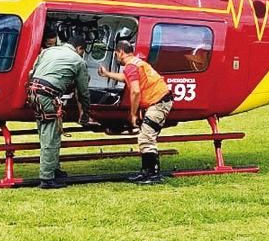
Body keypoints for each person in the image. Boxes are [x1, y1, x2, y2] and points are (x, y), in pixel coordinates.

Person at [97, 39, 173, 184]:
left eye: (116, 54)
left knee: (146, 138)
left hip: (157, 103)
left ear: (120, 52)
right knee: (146, 137)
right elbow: (126, 78)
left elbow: (136, 91)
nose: (116, 57)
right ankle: (146, 172)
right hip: (160, 101)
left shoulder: (131, 66)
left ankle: (153, 175)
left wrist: (132, 113)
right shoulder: (136, 63)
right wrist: (107, 74)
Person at [26, 26, 93, 189]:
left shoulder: (49, 51)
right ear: (79, 49)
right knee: (51, 136)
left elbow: (32, 72)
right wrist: (86, 113)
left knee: (46, 132)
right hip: (47, 95)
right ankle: (47, 179)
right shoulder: (78, 61)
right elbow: (83, 92)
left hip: (33, 92)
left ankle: (54, 170)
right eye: (83, 51)